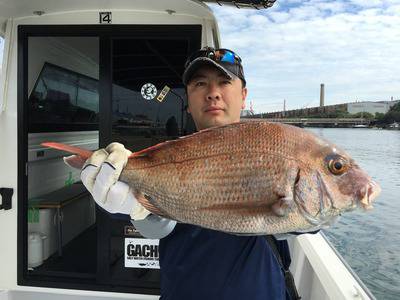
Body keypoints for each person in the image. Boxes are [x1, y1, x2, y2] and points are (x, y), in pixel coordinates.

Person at [81, 47, 292, 299]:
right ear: (189, 102)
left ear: (243, 95)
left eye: (224, 82)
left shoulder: (270, 149)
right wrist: (137, 208)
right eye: (200, 84)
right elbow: (157, 227)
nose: (213, 94)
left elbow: (307, 223)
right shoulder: (166, 157)